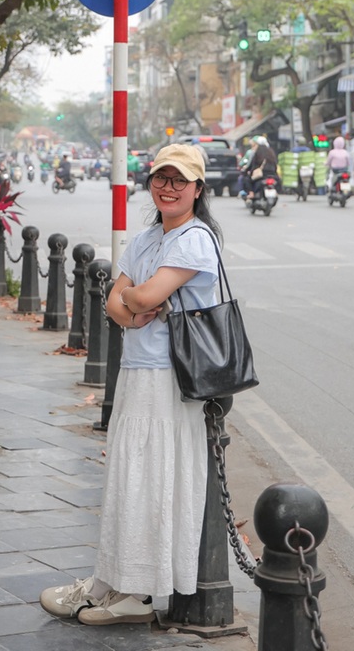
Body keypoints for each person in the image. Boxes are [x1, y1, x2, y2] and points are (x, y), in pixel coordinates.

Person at [39, 144, 222, 627]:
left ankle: (139, 594)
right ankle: (110, 581)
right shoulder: (145, 238)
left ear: (198, 189)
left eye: (179, 180)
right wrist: (134, 305)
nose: (168, 187)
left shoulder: (195, 239)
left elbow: (138, 294)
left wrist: (136, 301)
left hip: (171, 376)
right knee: (128, 476)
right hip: (138, 371)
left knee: (152, 480)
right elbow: (114, 304)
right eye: (161, 177)